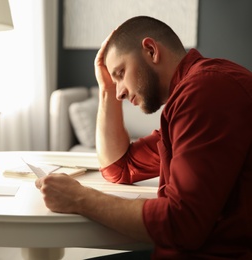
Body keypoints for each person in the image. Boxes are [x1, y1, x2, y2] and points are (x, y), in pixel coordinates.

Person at [36, 15, 252, 259]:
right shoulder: (191, 94)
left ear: (151, 51)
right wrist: (106, 88)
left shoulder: (206, 91)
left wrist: (79, 198)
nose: (120, 93)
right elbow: (119, 167)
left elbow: (183, 224)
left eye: (120, 72)